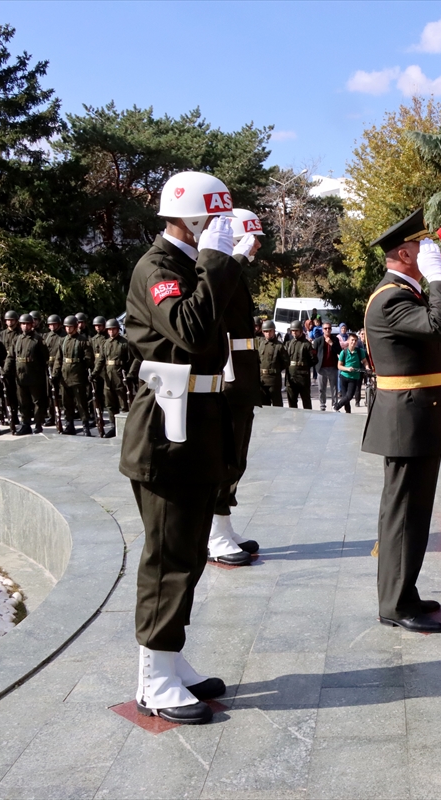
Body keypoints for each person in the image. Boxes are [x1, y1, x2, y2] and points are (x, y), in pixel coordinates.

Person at [120, 170, 246, 726]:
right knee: (168, 557)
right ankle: (153, 679)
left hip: (199, 424)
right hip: (166, 432)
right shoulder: (157, 269)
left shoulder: (192, 265)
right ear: (192, 218)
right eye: (214, 219)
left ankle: (170, 659)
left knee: (191, 553)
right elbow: (192, 331)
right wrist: (216, 261)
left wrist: (222, 263)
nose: (221, 228)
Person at [362, 208, 441, 634]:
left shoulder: (404, 294)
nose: (429, 250)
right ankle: (395, 605)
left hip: (418, 418)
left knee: (415, 513)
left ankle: (405, 591)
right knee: (403, 515)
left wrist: (435, 279)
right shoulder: (391, 299)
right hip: (407, 421)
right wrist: (439, 279)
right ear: (405, 254)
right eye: (422, 246)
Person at [207, 207, 266, 568]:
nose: (256, 246)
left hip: (241, 375)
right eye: (251, 239)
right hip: (228, 375)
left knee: (237, 455)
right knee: (225, 455)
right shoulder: (221, 274)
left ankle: (223, 526)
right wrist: (235, 260)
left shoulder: (236, 275)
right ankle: (213, 535)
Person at [53, 315, 94, 436]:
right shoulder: (63, 340)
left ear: (75, 327)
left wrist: (83, 370)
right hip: (65, 377)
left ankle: (85, 426)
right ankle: (69, 425)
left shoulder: (83, 341)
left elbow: (89, 359)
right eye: (66, 327)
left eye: (70, 327)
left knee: (81, 403)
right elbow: (58, 359)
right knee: (66, 403)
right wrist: (55, 373)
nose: (68, 329)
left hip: (77, 376)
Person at [8, 313, 48, 435]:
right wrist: (5, 371)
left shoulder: (37, 339)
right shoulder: (17, 339)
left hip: (34, 375)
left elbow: (44, 357)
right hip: (20, 376)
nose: (25, 326)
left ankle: (38, 423)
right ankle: (25, 424)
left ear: (32, 325)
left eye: (27, 324)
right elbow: (11, 357)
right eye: (23, 324)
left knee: (37, 401)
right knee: (23, 402)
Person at [282, 319, 315, 409]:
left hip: (303, 377)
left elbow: (313, 360)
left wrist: (304, 366)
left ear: (300, 331)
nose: (294, 332)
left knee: (306, 402)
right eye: (292, 331)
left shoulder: (307, 344)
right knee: (292, 403)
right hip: (291, 377)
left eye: (296, 330)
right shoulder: (289, 344)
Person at [0, 310, 22, 430]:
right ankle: (8, 415)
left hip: (17, 367)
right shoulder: (1, 334)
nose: (10, 322)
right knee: (5, 392)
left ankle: (17, 415)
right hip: (5, 367)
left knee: (18, 393)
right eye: (8, 320)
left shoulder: (20, 334)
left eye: (12, 320)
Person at [313, 321, 342, 411]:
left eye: (329, 328)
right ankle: (322, 405)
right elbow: (313, 354)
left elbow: (339, 352)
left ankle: (335, 405)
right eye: (325, 328)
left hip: (333, 367)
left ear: (331, 329)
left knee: (334, 388)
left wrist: (331, 343)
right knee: (322, 388)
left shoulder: (335, 339)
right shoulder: (318, 340)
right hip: (322, 368)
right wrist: (316, 366)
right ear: (322, 330)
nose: (327, 330)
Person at [333, 333, 365, 413]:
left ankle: (336, 407)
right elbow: (339, 366)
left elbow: (365, 361)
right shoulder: (343, 352)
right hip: (344, 377)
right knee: (345, 397)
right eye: (352, 340)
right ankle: (348, 413)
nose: (354, 342)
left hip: (354, 378)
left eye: (355, 340)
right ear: (348, 341)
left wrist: (367, 367)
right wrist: (347, 369)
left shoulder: (359, 351)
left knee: (349, 396)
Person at [256, 321, 285, 406]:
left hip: (273, 380)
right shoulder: (260, 344)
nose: (268, 333)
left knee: (277, 404)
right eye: (266, 331)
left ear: (274, 331)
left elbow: (285, 362)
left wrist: (275, 370)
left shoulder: (279, 346)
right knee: (264, 405)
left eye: (270, 331)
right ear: (263, 332)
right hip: (262, 380)